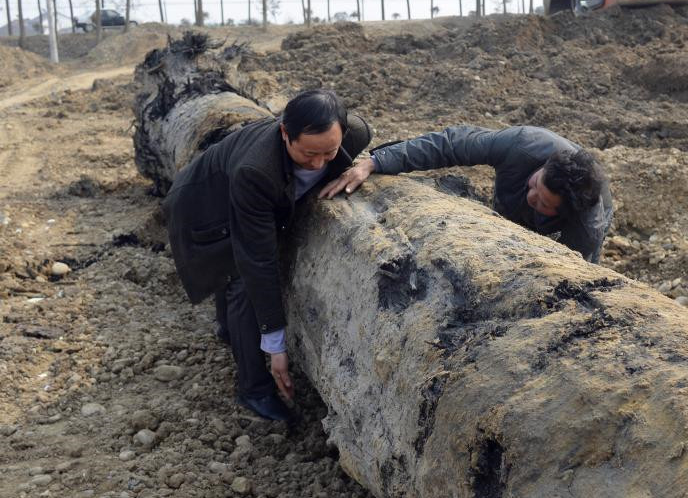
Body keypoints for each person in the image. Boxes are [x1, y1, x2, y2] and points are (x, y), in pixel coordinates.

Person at [164, 89, 371, 421]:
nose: (319, 163)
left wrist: (367, 166)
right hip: (203, 208)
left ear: (343, 134)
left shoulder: (356, 133)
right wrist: (276, 345)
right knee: (241, 281)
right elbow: (258, 262)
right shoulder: (256, 170)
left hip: (238, 193)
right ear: (285, 132)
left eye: (329, 152)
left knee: (239, 278)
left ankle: (230, 330)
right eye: (308, 154)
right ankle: (254, 389)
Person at [320, 125, 612, 263]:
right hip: (512, 202)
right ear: (542, 167)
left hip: (574, 225)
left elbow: (578, 271)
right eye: (535, 183)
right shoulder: (521, 145)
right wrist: (376, 162)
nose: (531, 195)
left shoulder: (587, 224)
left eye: (544, 202)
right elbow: (449, 145)